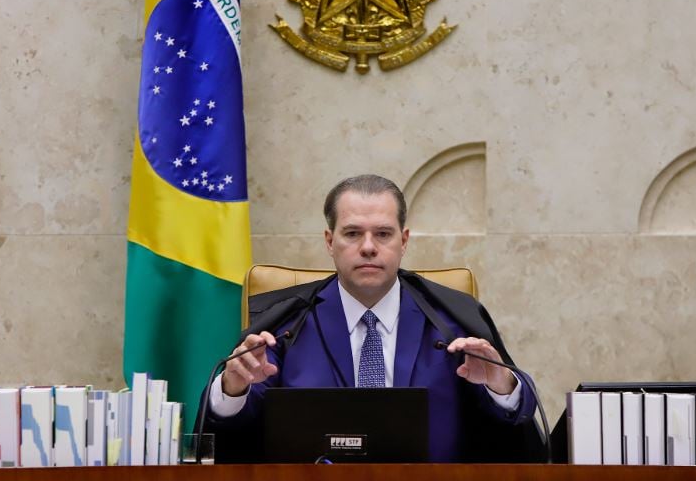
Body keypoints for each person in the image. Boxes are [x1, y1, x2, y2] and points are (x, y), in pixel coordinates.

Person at [201, 174, 545, 462]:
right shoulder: (286, 324)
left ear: (403, 241)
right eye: (352, 234)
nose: (368, 247)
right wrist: (233, 388)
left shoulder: (451, 319)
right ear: (329, 241)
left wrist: (501, 386)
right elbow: (235, 426)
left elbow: (514, 421)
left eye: (383, 234)